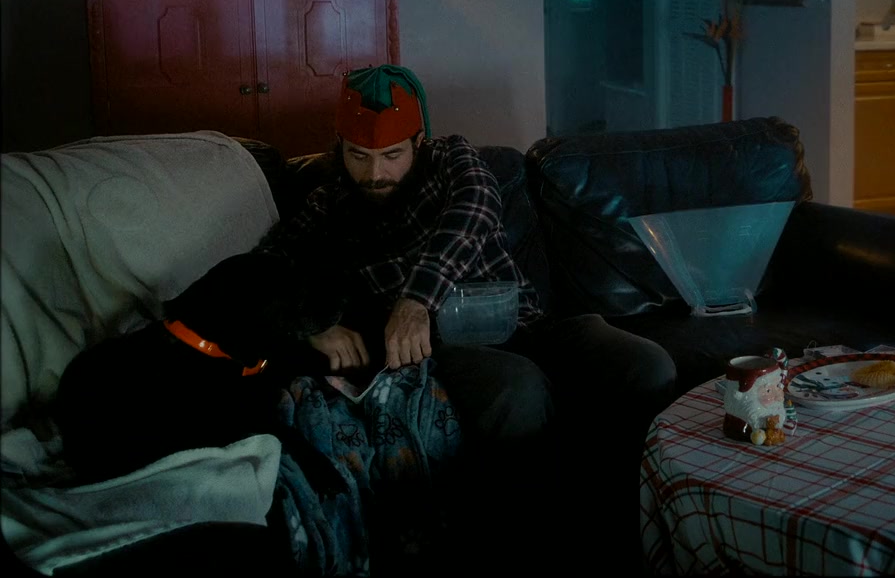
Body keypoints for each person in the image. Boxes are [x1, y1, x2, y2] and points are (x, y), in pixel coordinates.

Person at [255, 64, 678, 572]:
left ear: (418, 143)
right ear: (340, 147)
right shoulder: (327, 206)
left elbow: (475, 209)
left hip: (531, 326)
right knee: (518, 390)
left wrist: (416, 299)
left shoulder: (454, 158)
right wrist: (312, 326)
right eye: (358, 156)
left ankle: (637, 533)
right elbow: (263, 270)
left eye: (391, 155)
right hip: (449, 354)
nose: (375, 174)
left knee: (647, 365)